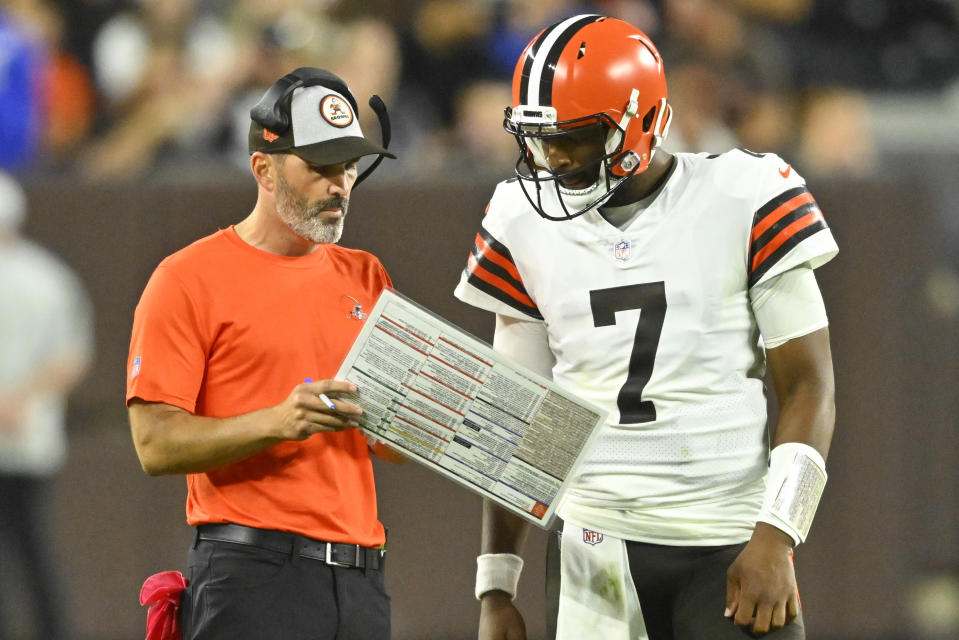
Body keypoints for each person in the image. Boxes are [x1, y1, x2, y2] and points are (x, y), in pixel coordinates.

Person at [454, 14, 837, 640]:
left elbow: (809, 386)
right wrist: (496, 585)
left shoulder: (743, 193)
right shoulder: (519, 217)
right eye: (538, 137)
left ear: (639, 122)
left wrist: (777, 535)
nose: (551, 156)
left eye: (571, 137)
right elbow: (524, 415)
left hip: (728, 539)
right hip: (592, 546)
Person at [126, 67, 402, 640]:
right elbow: (154, 444)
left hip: (361, 578)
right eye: (320, 167)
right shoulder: (187, 278)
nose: (340, 184)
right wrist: (278, 421)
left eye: (348, 165)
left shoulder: (367, 275)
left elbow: (390, 445)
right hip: (252, 574)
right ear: (263, 169)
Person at [0, 171, 94, 640]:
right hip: (32, 436)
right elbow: (72, 356)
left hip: (24, 437)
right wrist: (22, 400)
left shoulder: (44, 278)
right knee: (34, 549)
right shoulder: (52, 277)